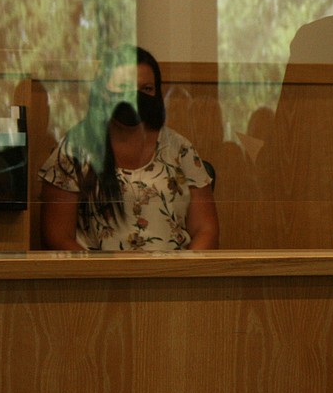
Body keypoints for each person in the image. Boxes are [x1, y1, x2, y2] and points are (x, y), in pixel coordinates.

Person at [39, 45, 219, 250]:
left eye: (146, 89)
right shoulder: (74, 151)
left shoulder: (180, 149)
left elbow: (206, 230)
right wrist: (101, 277)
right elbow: (58, 237)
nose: (135, 97)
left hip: (174, 277)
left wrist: (182, 273)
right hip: (96, 277)